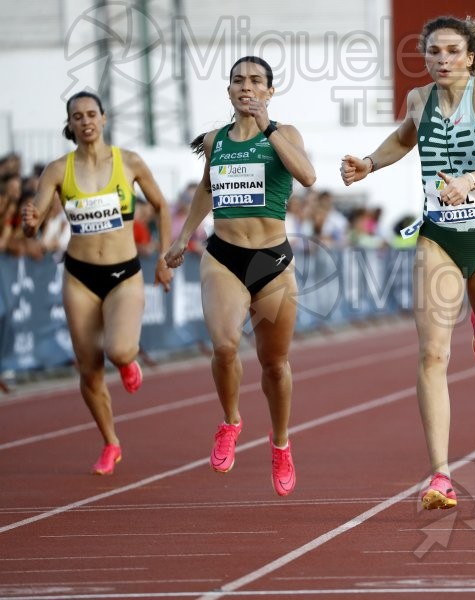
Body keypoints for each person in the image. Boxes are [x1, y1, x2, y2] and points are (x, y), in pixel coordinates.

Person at [341, 12, 475, 509]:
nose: (442, 60)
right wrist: (370, 162)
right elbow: (406, 135)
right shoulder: (418, 99)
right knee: (431, 356)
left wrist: (469, 181)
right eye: (433, 52)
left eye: (452, 52)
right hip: (438, 237)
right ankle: (440, 476)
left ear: (469, 57)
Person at [164, 56, 316, 496]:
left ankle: (281, 443)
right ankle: (230, 421)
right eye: (238, 81)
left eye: (255, 81)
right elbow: (207, 189)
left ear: (270, 90)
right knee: (225, 345)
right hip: (224, 255)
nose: (246, 87)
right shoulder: (216, 141)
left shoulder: (284, 135)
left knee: (274, 365)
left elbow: (307, 176)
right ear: (228, 90)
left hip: (272, 262)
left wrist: (268, 127)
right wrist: (182, 238)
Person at [21, 90, 173, 475]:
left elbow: (162, 205)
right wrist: (30, 220)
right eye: (78, 116)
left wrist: (165, 256)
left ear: (104, 118)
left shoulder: (130, 162)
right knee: (88, 369)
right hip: (80, 275)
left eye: (92, 113)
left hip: (124, 272)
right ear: (70, 125)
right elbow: (35, 219)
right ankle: (111, 443)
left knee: (120, 350)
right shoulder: (58, 170)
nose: (86, 120)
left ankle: (126, 362)